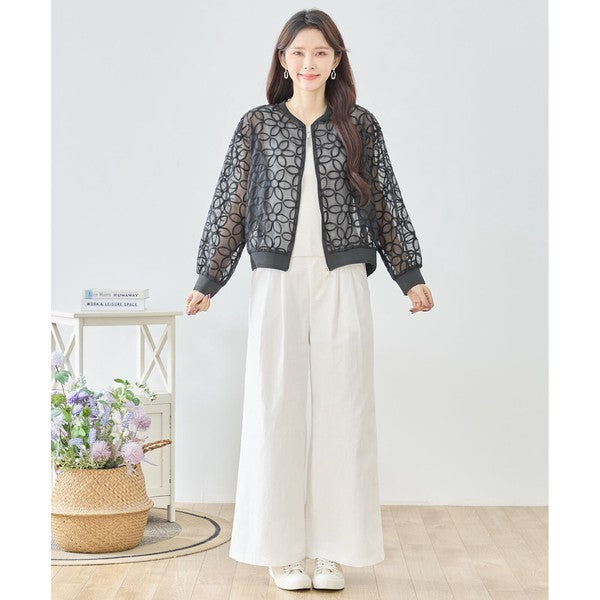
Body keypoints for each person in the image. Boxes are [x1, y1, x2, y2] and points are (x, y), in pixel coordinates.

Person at [185, 8, 434, 592]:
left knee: (345, 409)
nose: (309, 63)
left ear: (337, 60)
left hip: (342, 277)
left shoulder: (360, 125)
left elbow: (385, 201)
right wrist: (208, 278)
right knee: (274, 406)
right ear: (282, 59)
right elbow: (231, 201)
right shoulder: (258, 126)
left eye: (321, 52)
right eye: (298, 52)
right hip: (277, 280)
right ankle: (280, 550)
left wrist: (410, 276)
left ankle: (332, 550)